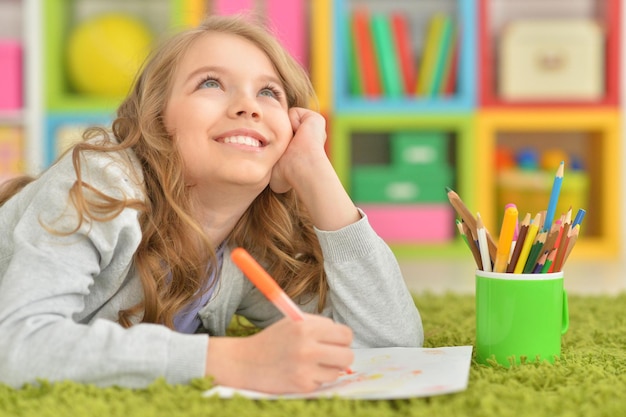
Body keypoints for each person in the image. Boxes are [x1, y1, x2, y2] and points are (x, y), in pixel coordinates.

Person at [0, 14, 423, 393]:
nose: (248, 107)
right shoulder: (101, 185)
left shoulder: (246, 249)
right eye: (210, 83)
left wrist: (315, 170)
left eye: (269, 93)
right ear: (158, 119)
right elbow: (17, 344)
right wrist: (228, 361)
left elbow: (389, 341)